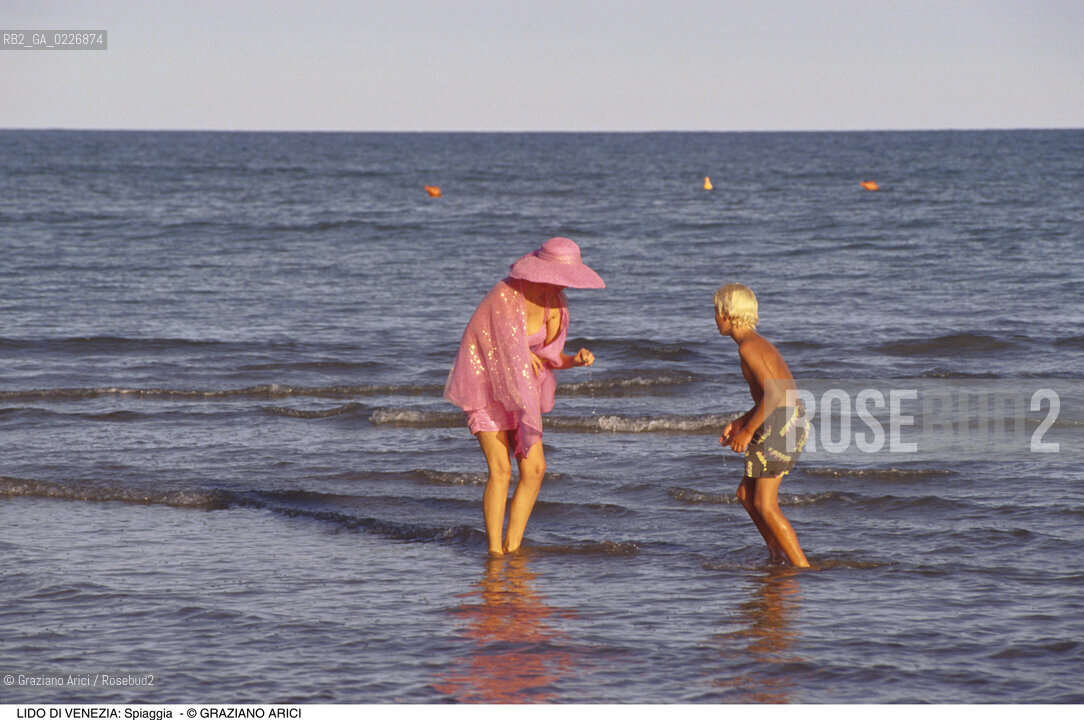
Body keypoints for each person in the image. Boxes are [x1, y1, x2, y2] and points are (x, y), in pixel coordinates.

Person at [445, 237, 605, 556]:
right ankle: (494, 554)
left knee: (535, 470)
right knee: (501, 470)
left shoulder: (556, 306)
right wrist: (516, 355)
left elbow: (550, 357)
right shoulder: (505, 294)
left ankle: (512, 548)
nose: (564, 286)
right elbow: (475, 340)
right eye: (560, 277)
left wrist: (575, 359)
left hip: (523, 392)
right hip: (486, 387)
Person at [714, 283, 810, 568]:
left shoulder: (749, 349)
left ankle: (803, 569)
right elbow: (772, 396)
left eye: (716, 311)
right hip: (782, 419)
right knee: (746, 495)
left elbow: (776, 395)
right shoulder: (755, 344)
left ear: (728, 314)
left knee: (766, 505)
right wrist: (741, 421)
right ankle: (776, 555)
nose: (714, 318)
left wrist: (746, 433)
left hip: (783, 423)